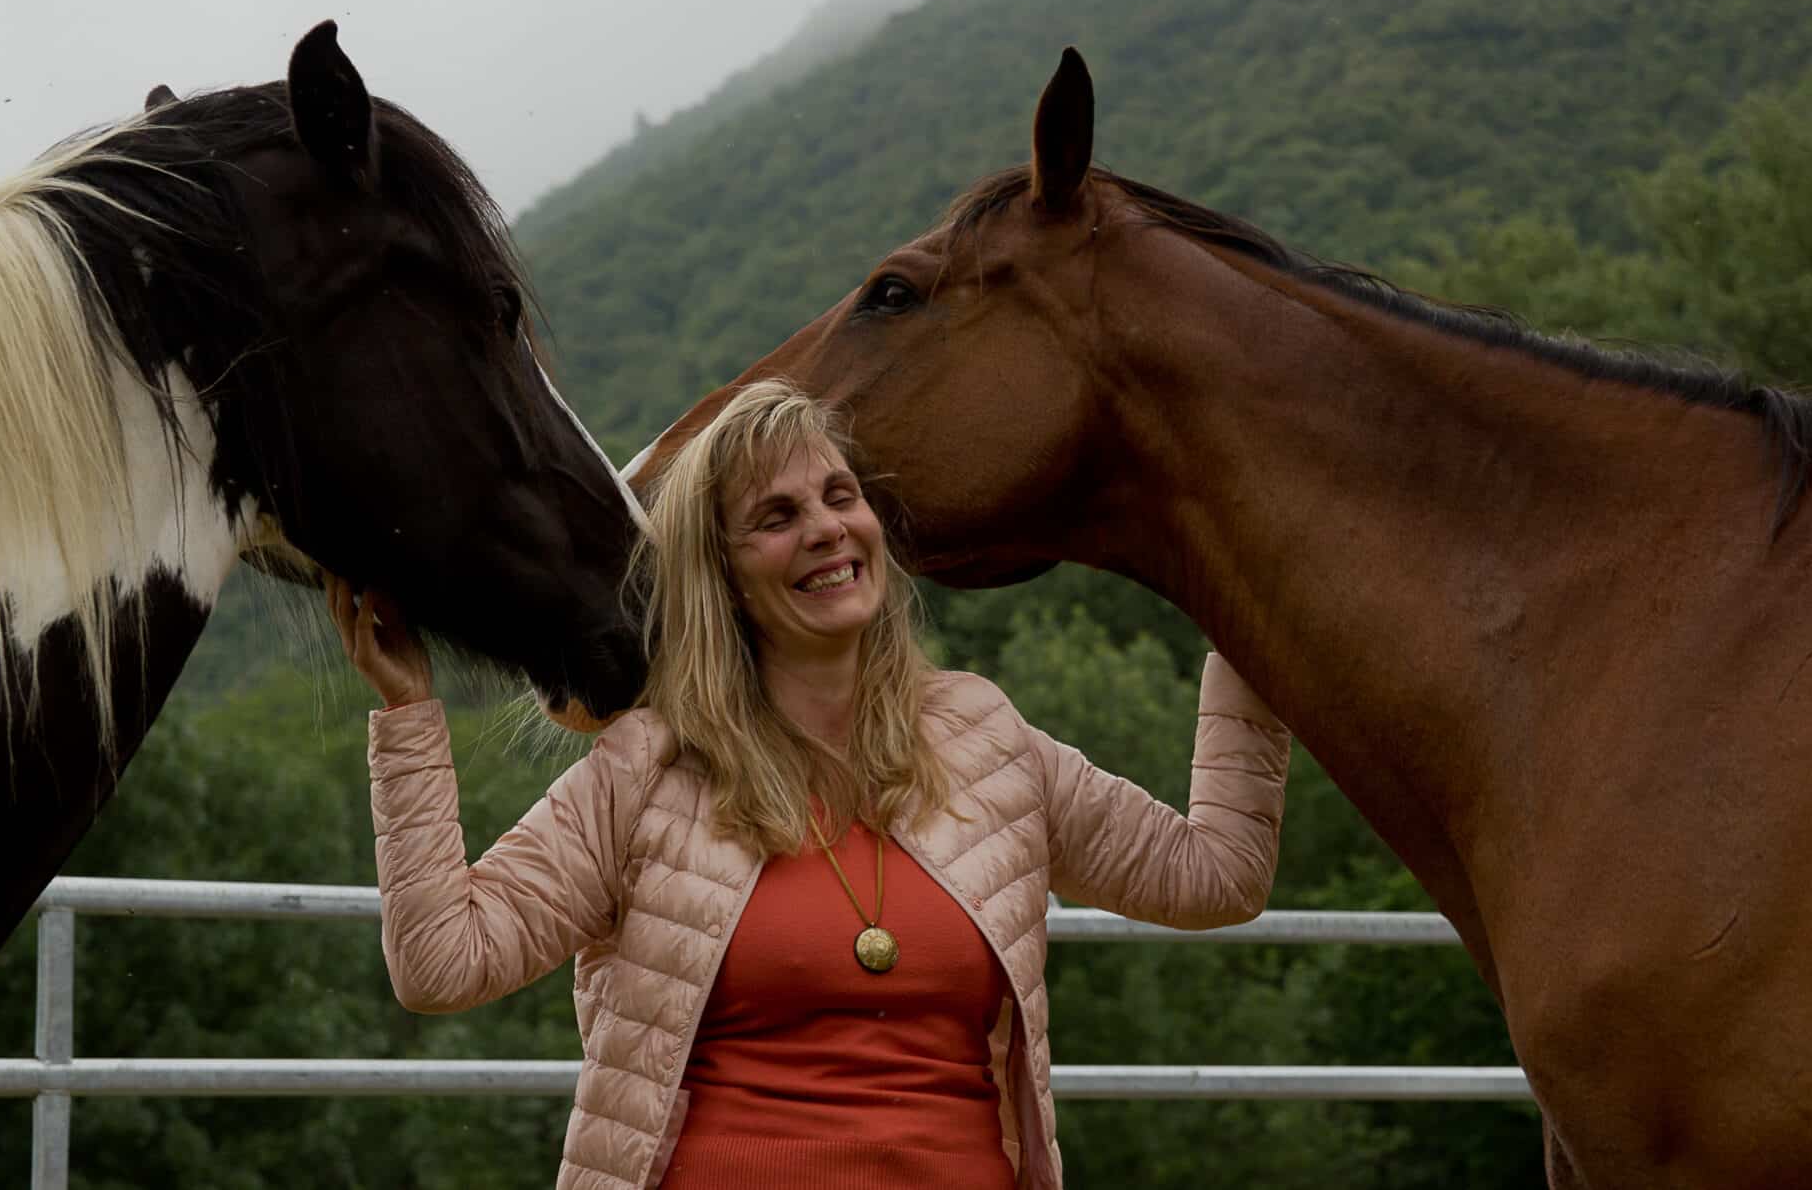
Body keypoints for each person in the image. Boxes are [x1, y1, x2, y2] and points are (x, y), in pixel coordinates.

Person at [328, 379, 1292, 1190]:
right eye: (777, 517)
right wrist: (409, 716)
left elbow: (1218, 874)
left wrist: (1252, 620)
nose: (828, 530)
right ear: (726, 578)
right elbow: (442, 964)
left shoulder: (986, 740)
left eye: (840, 496)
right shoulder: (648, 767)